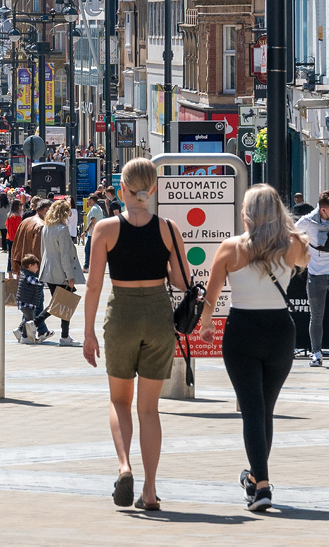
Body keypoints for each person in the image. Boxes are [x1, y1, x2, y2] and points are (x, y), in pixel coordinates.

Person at [81, 158, 189, 512]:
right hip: (158, 314)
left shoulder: (106, 229)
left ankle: (124, 465)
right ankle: (150, 489)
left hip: (122, 313)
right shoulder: (169, 228)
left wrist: (88, 332)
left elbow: (94, 285)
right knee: (150, 409)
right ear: (153, 189)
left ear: (122, 189)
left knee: (119, 401)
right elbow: (180, 281)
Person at [200, 184, 310, 513]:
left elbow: (211, 293)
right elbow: (306, 258)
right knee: (265, 408)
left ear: (247, 213)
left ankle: (261, 484)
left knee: (252, 409)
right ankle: (256, 478)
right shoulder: (293, 245)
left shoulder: (231, 248)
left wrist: (205, 324)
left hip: (242, 331)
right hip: (280, 331)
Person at [295, 190, 329, 368]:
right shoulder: (307, 222)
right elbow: (291, 235)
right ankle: (316, 353)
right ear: (323, 210)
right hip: (316, 273)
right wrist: (301, 254)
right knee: (316, 315)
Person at [39, 197, 84, 345]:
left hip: (49, 270)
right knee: (63, 303)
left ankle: (63, 335)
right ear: (62, 213)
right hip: (61, 273)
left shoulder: (46, 227)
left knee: (59, 303)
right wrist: (70, 276)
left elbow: (43, 250)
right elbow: (64, 255)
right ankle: (62, 336)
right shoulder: (62, 229)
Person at [15, 254, 51, 343]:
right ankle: (25, 336)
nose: (37, 269)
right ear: (30, 266)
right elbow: (35, 281)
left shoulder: (26, 274)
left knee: (27, 318)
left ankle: (19, 330)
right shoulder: (28, 276)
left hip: (26, 302)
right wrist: (43, 280)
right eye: (36, 266)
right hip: (26, 302)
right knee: (29, 320)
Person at [10, 198, 49, 276]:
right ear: (46, 210)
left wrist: (15, 265)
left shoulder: (25, 221)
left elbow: (15, 245)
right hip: (34, 267)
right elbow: (37, 250)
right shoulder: (41, 225)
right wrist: (40, 269)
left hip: (23, 264)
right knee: (35, 288)